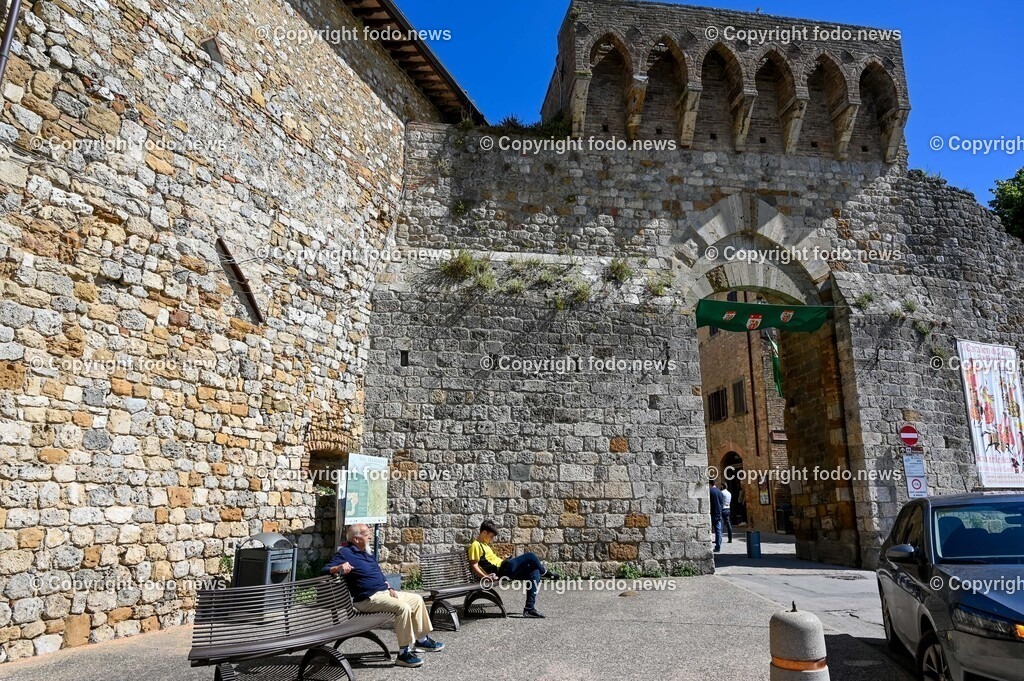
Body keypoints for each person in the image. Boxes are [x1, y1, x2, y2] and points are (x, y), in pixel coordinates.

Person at [322, 524, 444, 668]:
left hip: (384, 594)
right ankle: (404, 654)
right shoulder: (345, 554)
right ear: (356, 538)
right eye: (366, 534)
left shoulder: (367, 554)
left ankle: (422, 640)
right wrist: (339, 567)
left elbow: (379, 574)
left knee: (416, 599)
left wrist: (390, 587)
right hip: (367, 599)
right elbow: (324, 570)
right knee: (403, 608)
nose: (370, 536)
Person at [468, 520, 547, 618]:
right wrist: (485, 577)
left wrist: (503, 558)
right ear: (484, 532)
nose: (491, 539)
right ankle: (545, 573)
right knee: (531, 556)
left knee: (534, 572)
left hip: (504, 568)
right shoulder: (476, 545)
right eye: (491, 536)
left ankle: (529, 609)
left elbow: (491, 562)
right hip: (502, 571)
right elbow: (474, 565)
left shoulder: (485, 545)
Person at [709, 479, 724, 553]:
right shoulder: (720, 492)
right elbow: (721, 503)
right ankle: (718, 546)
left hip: (712, 513)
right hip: (719, 513)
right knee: (718, 530)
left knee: (709, 530)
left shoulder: (710, 491)